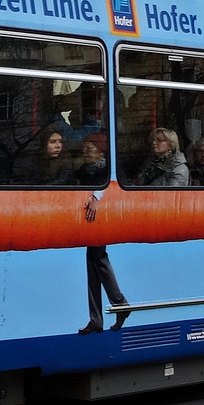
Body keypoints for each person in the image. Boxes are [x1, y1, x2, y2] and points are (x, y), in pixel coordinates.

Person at [75, 133, 130, 335]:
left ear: (100, 151)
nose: (85, 151)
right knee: (92, 261)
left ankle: (118, 304)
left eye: (89, 148)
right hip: (90, 220)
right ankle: (98, 317)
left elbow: (111, 184)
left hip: (103, 218)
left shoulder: (108, 169)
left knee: (98, 258)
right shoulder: (83, 170)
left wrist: (96, 195)